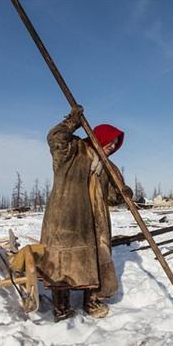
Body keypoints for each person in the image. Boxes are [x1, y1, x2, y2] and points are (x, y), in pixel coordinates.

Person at [39, 105, 131, 322]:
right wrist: (72, 122)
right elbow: (55, 138)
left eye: (115, 145)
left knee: (97, 257)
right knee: (63, 261)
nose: (111, 147)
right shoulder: (73, 150)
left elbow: (111, 197)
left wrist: (122, 193)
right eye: (109, 141)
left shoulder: (109, 167)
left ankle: (92, 301)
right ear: (99, 137)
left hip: (95, 220)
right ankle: (61, 306)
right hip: (67, 214)